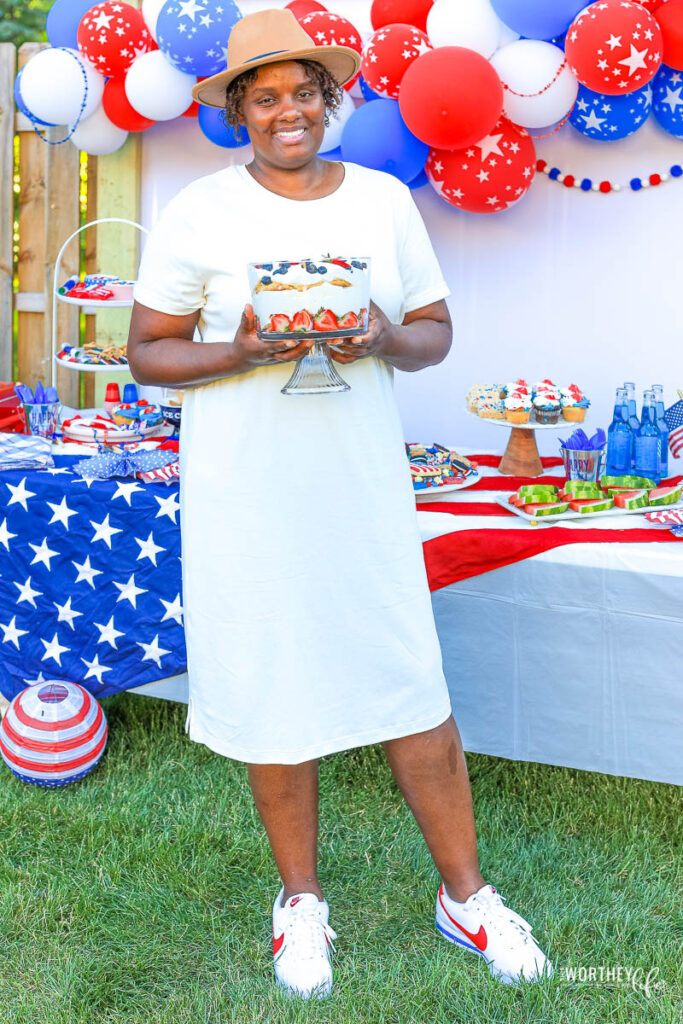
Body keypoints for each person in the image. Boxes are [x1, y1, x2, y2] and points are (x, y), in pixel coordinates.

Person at [127, 7, 552, 1001]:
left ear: (328, 100)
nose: (287, 111)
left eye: (302, 92)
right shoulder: (199, 213)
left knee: (411, 687)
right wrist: (236, 350)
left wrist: (377, 335)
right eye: (265, 96)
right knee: (275, 689)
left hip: (358, 490)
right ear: (237, 111)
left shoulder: (377, 202)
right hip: (246, 493)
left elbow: (432, 331)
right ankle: (300, 904)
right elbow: (147, 352)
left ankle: (466, 895)